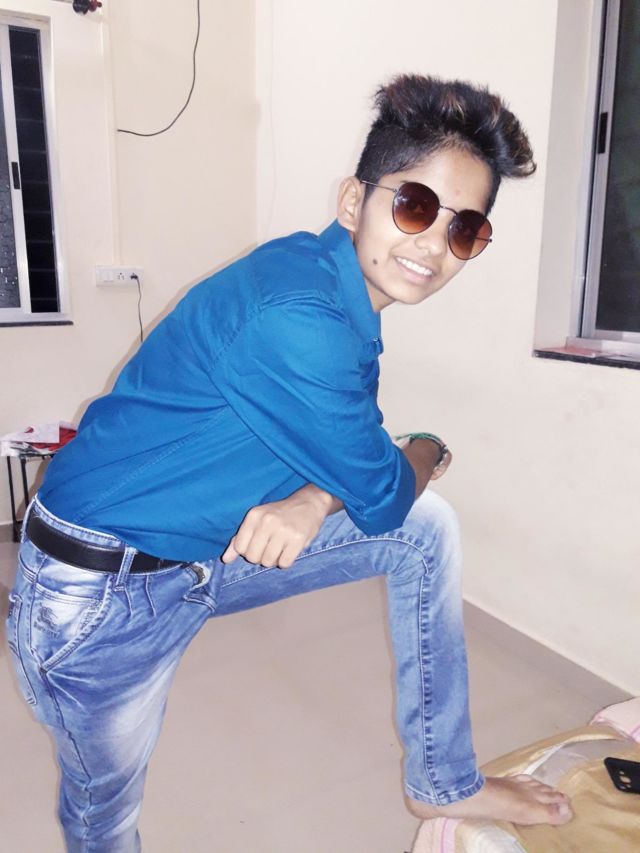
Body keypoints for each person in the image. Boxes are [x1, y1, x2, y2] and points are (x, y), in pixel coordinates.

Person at [7, 74, 573, 851]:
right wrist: (429, 446)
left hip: (203, 552)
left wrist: (313, 497)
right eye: (415, 206)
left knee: (426, 529)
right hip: (99, 597)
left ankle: (444, 779)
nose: (433, 244)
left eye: (465, 228)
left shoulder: (330, 282)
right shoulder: (300, 318)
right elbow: (383, 487)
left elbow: (357, 468)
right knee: (103, 820)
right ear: (353, 201)